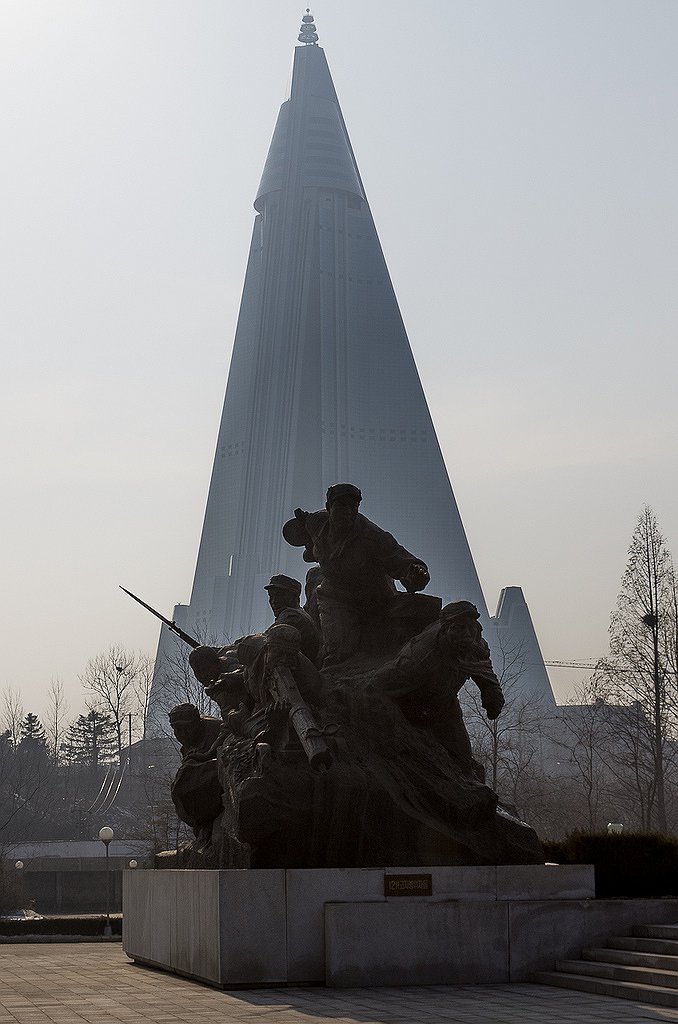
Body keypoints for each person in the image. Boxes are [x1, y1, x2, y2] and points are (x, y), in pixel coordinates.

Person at [283, 483, 430, 665]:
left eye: (353, 507)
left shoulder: (372, 537)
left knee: (380, 651)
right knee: (337, 656)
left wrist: (415, 575)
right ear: (329, 508)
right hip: (334, 595)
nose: (348, 511)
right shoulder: (316, 523)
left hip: (372, 596)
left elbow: (404, 562)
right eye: (341, 506)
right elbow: (302, 538)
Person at [369, 601, 505, 779]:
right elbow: (379, 685)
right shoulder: (422, 653)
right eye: (460, 628)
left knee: (463, 761)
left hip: (444, 707)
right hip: (407, 707)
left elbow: (486, 676)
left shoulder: (476, 646)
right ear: (447, 629)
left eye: (471, 628)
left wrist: (493, 698)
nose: (467, 635)